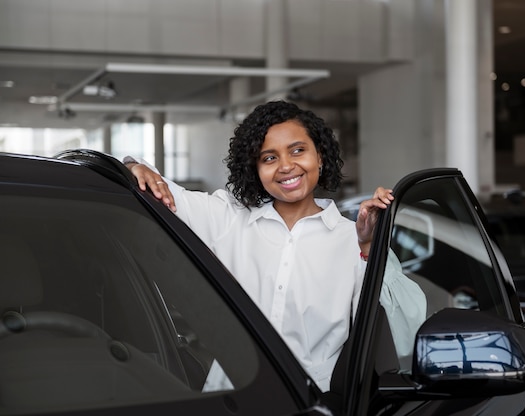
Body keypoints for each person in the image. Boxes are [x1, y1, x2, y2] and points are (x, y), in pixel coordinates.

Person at [124, 100, 425, 392]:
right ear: (254, 169)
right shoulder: (228, 218)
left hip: (309, 402)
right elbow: (152, 187)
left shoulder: (352, 239)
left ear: (320, 156)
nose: (286, 166)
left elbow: (404, 325)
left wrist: (369, 246)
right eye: (269, 158)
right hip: (230, 397)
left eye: (298, 150)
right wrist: (134, 167)